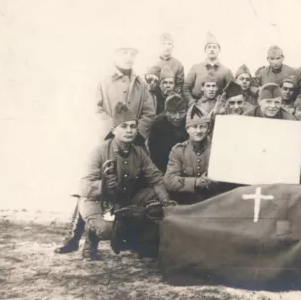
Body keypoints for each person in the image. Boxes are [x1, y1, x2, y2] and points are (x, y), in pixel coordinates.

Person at [78, 103, 172, 260]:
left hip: (123, 200)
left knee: (154, 198)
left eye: (133, 126)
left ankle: (136, 242)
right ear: (114, 130)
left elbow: (156, 178)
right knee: (107, 230)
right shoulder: (98, 152)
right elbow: (84, 187)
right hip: (97, 201)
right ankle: (91, 236)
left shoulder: (139, 152)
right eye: (124, 126)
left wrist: (166, 201)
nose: (129, 130)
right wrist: (103, 185)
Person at [164, 105, 224, 204]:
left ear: (208, 129)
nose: (199, 131)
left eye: (202, 126)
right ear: (187, 129)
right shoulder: (178, 151)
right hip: (187, 201)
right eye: (194, 127)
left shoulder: (216, 149)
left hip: (213, 200)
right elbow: (169, 181)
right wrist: (195, 182)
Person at [97, 46, 155, 146]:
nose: (129, 57)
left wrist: (137, 132)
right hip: (109, 140)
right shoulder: (103, 80)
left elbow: (149, 112)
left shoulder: (140, 83)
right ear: (115, 55)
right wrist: (112, 130)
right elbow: (95, 110)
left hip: (135, 143)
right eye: (124, 52)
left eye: (132, 54)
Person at [183, 32, 234, 106]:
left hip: (218, 106)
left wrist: (223, 104)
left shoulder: (226, 71)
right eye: (209, 47)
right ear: (205, 50)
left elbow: (232, 91)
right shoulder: (196, 68)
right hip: (198, 106)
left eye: (214, 47)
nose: (212, 49)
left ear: (219, 50)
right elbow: (186, 88)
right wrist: (191, 101)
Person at [146, 94, 188, 173]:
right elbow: (156, 155)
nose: (177, 117)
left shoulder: (188, 120)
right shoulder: (158, 124)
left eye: (181, 113)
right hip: (164, 165)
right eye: (173, 113)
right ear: (166, 112)